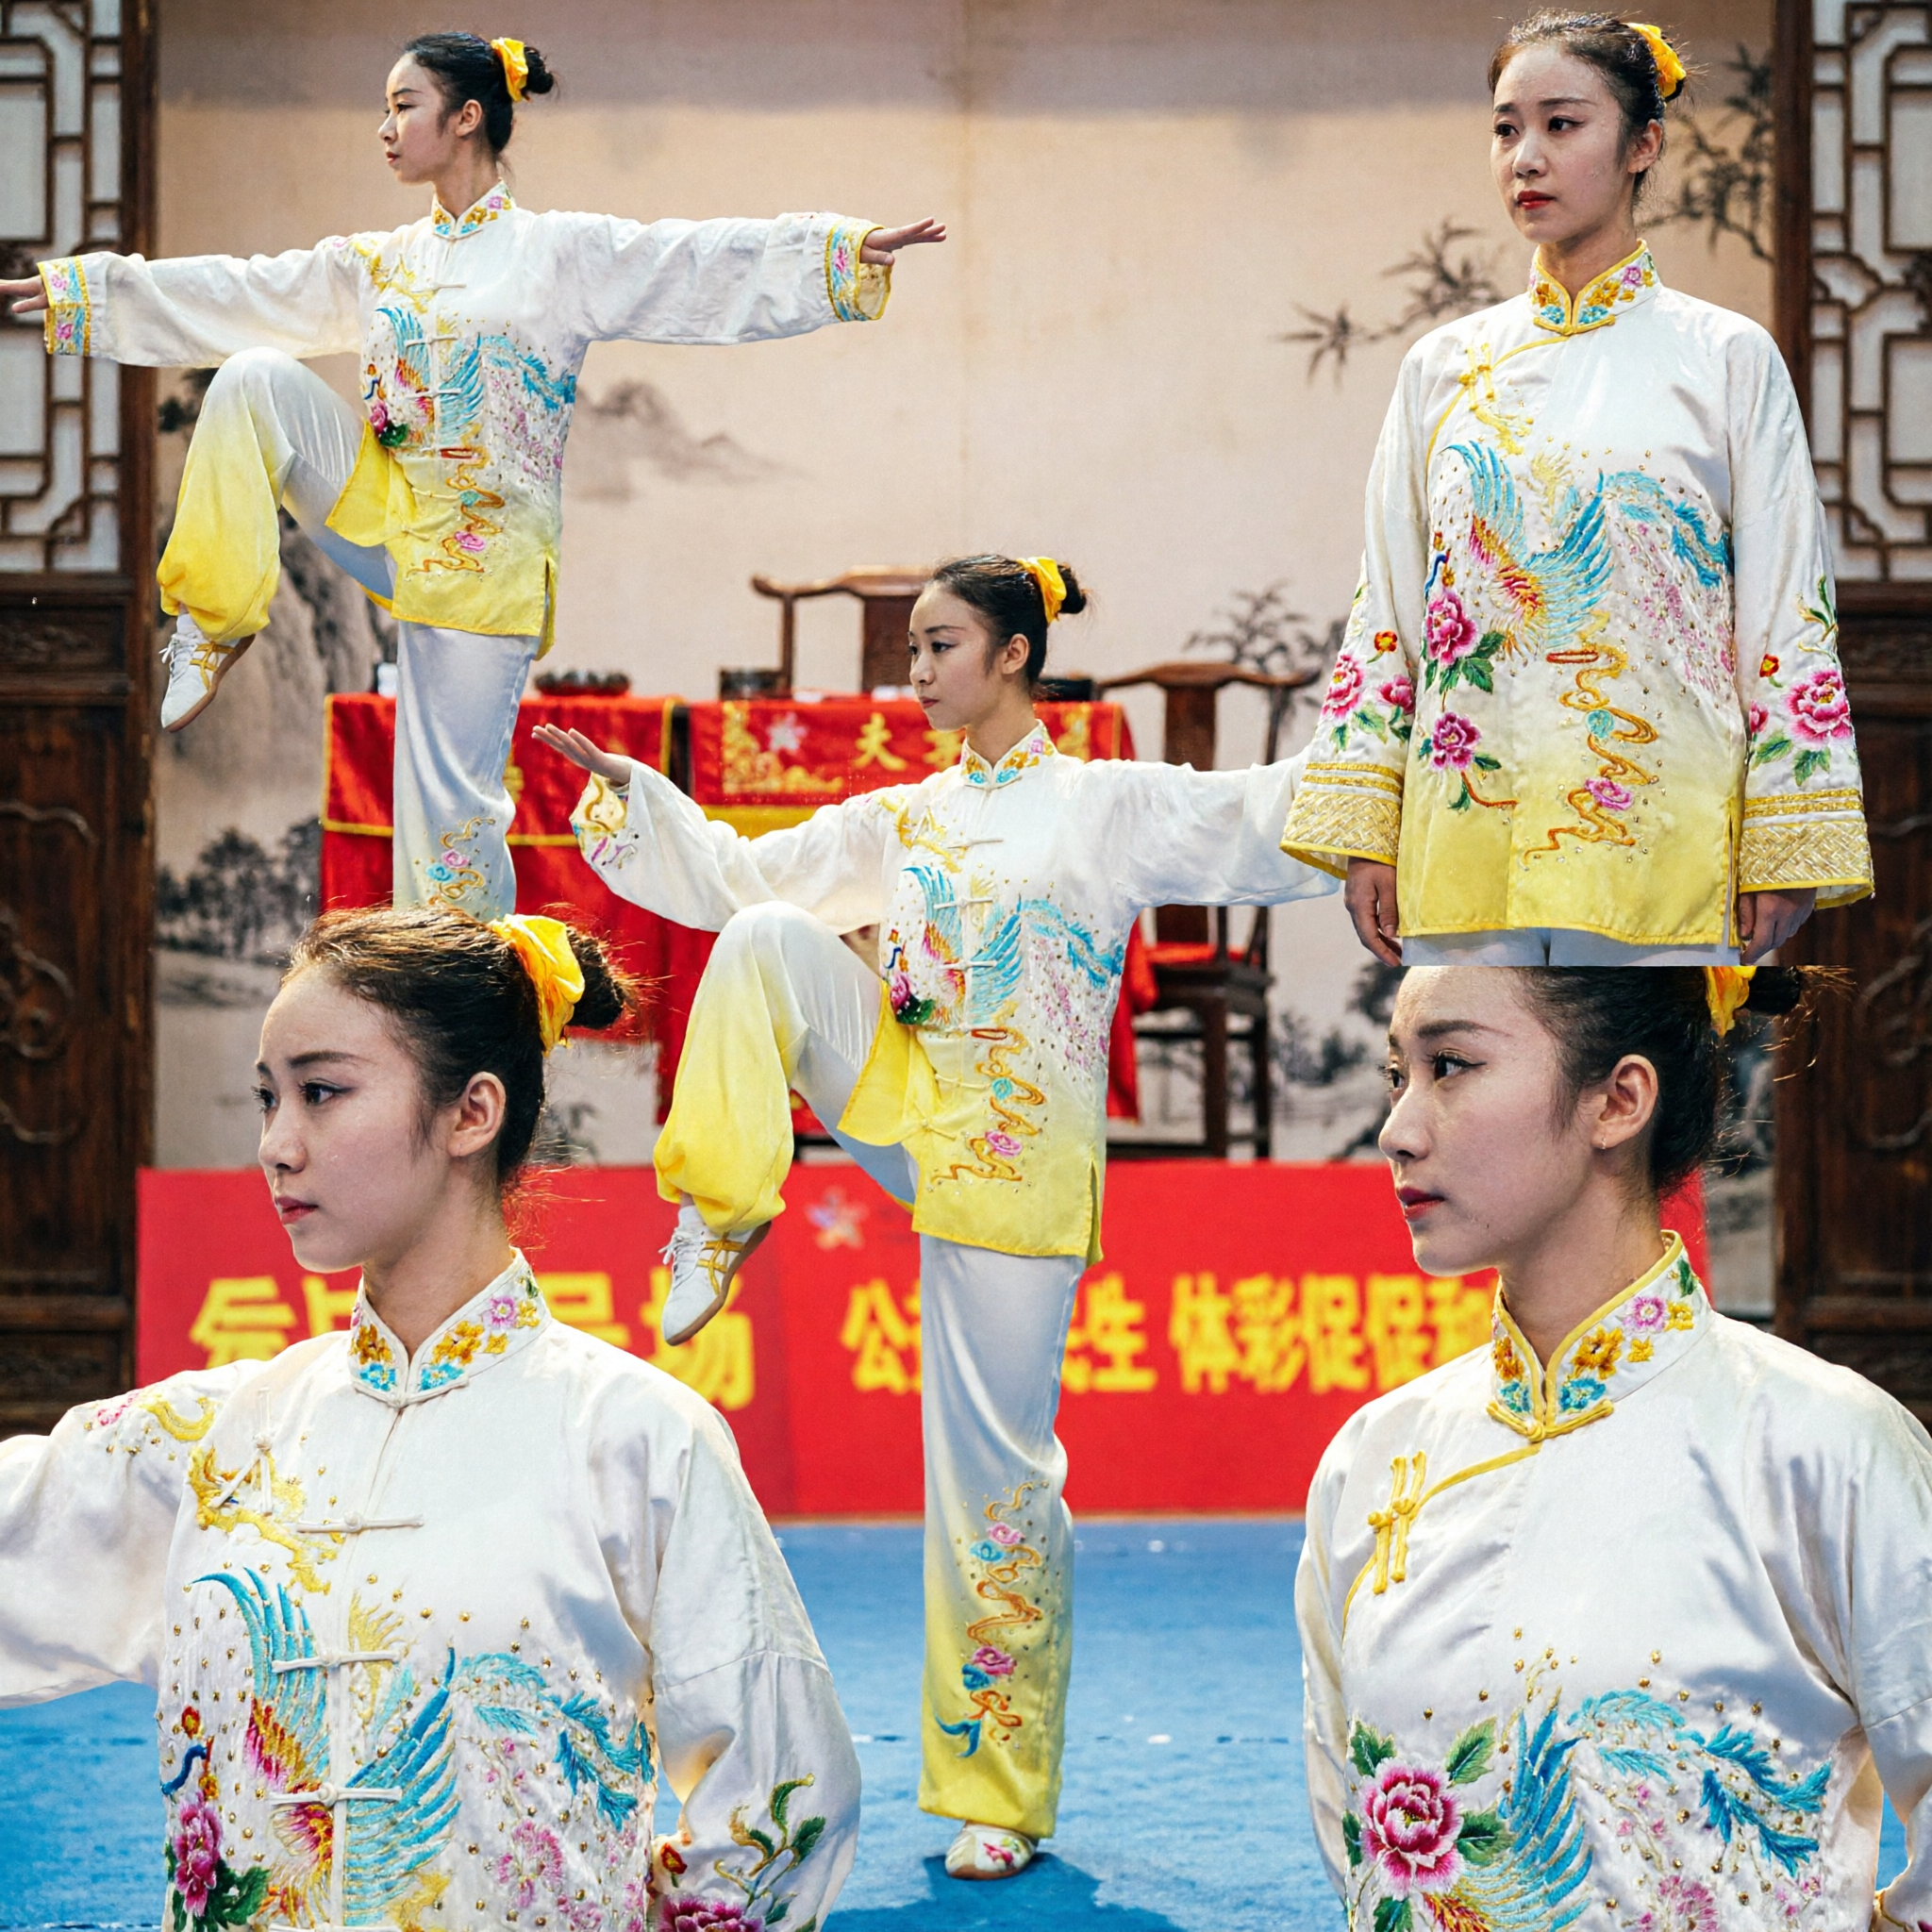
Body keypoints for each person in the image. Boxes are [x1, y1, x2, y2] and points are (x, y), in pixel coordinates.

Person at [536, 553, 1335, 1878]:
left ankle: (998, 1796)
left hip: (1015, 1162)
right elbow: (741, 877)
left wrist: (1401, 738)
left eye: (940, 644)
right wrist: (642, 801)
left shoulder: (1105, 806)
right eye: (912, 648)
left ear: (1016, 654)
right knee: (766, 944)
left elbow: (1261, 817)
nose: (915, 671)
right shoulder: (898, 820)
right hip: (908, 1098)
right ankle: (719, 1212)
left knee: (994, 1477)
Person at [0, 907, 859, 1932]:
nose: (276, 1144)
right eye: (269, 1097)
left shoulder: (636, 1438)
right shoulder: (205, 1440)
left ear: (470, 1112)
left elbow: (784, 1801)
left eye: (322, 1092)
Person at [1, 30, 942, 924]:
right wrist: (94, 291)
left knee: (448, 812)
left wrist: (828, 253)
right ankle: (212, 619)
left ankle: (457, 992)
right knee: (251, 378)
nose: (383, 128)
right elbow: (245, 288)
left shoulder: (557, 255)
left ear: (465, 119)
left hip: (483, 562)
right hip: (384, 513)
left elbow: (689, 261)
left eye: (402, 105)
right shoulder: (383, 263)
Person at [1297, 964, 1932, 1929]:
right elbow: (1349, 1821)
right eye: (1397, 1074)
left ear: (1617, 1098)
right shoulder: (1372, 1460)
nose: (1397, 1127)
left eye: (1450, 1065)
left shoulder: (1825, 1445)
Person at [1279, 12, 1872, 967]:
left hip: (1662, 825)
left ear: (1643, 144)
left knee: (1640, 1106)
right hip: (1467, 821)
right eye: (1505, 127)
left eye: (1561, 125)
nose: (1524, 157)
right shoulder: (1444, 366)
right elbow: (1385, 603)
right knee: (1473, 1099)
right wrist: (1367, 825)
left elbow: (1781, 608)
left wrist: (1780, 837)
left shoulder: (1722, 357)